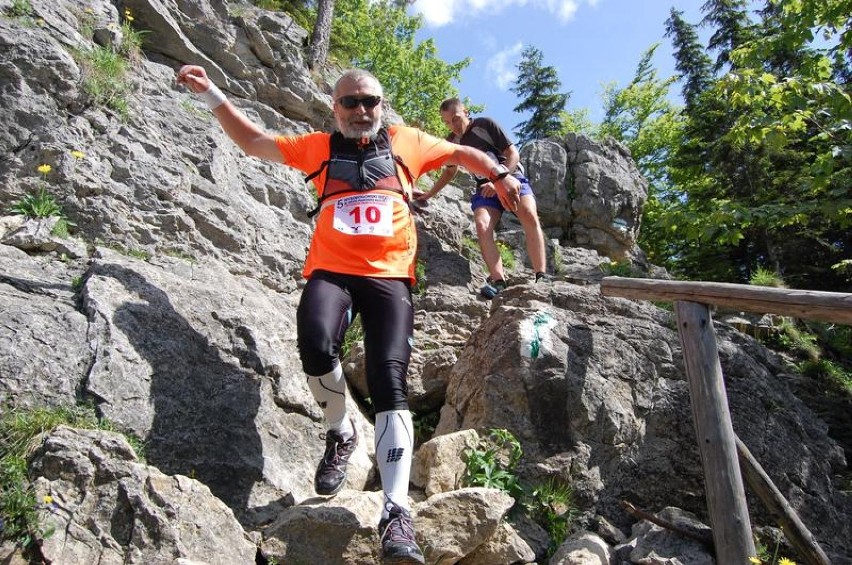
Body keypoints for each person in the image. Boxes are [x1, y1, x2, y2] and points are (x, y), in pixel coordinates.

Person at [176, 65, 522, 565]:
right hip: (331, 271)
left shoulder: (407, 141)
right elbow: (253, 141)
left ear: (381, 106)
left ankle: (396, 511)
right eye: (350, 103)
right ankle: (340, 429)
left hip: (389, 276)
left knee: (390, 380)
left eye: (370, 102)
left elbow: (463, 152)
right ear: (335, 108)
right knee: (315, 345)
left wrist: (499, 174)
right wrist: (210, 92)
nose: (361, 111)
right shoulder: (319, 147)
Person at [415, 98, 547, 298]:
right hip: (484, 189)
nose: (453, 126)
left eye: (456, 119)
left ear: (466, 112)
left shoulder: (485, 124)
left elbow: (513, 154)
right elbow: (449, 172)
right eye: (447, 122)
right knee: (482, 223)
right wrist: (428, 194)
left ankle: (541, 276)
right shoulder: (452, 142)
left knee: (528, 213)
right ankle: (499, 280)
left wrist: (499, 180)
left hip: (512, 178)